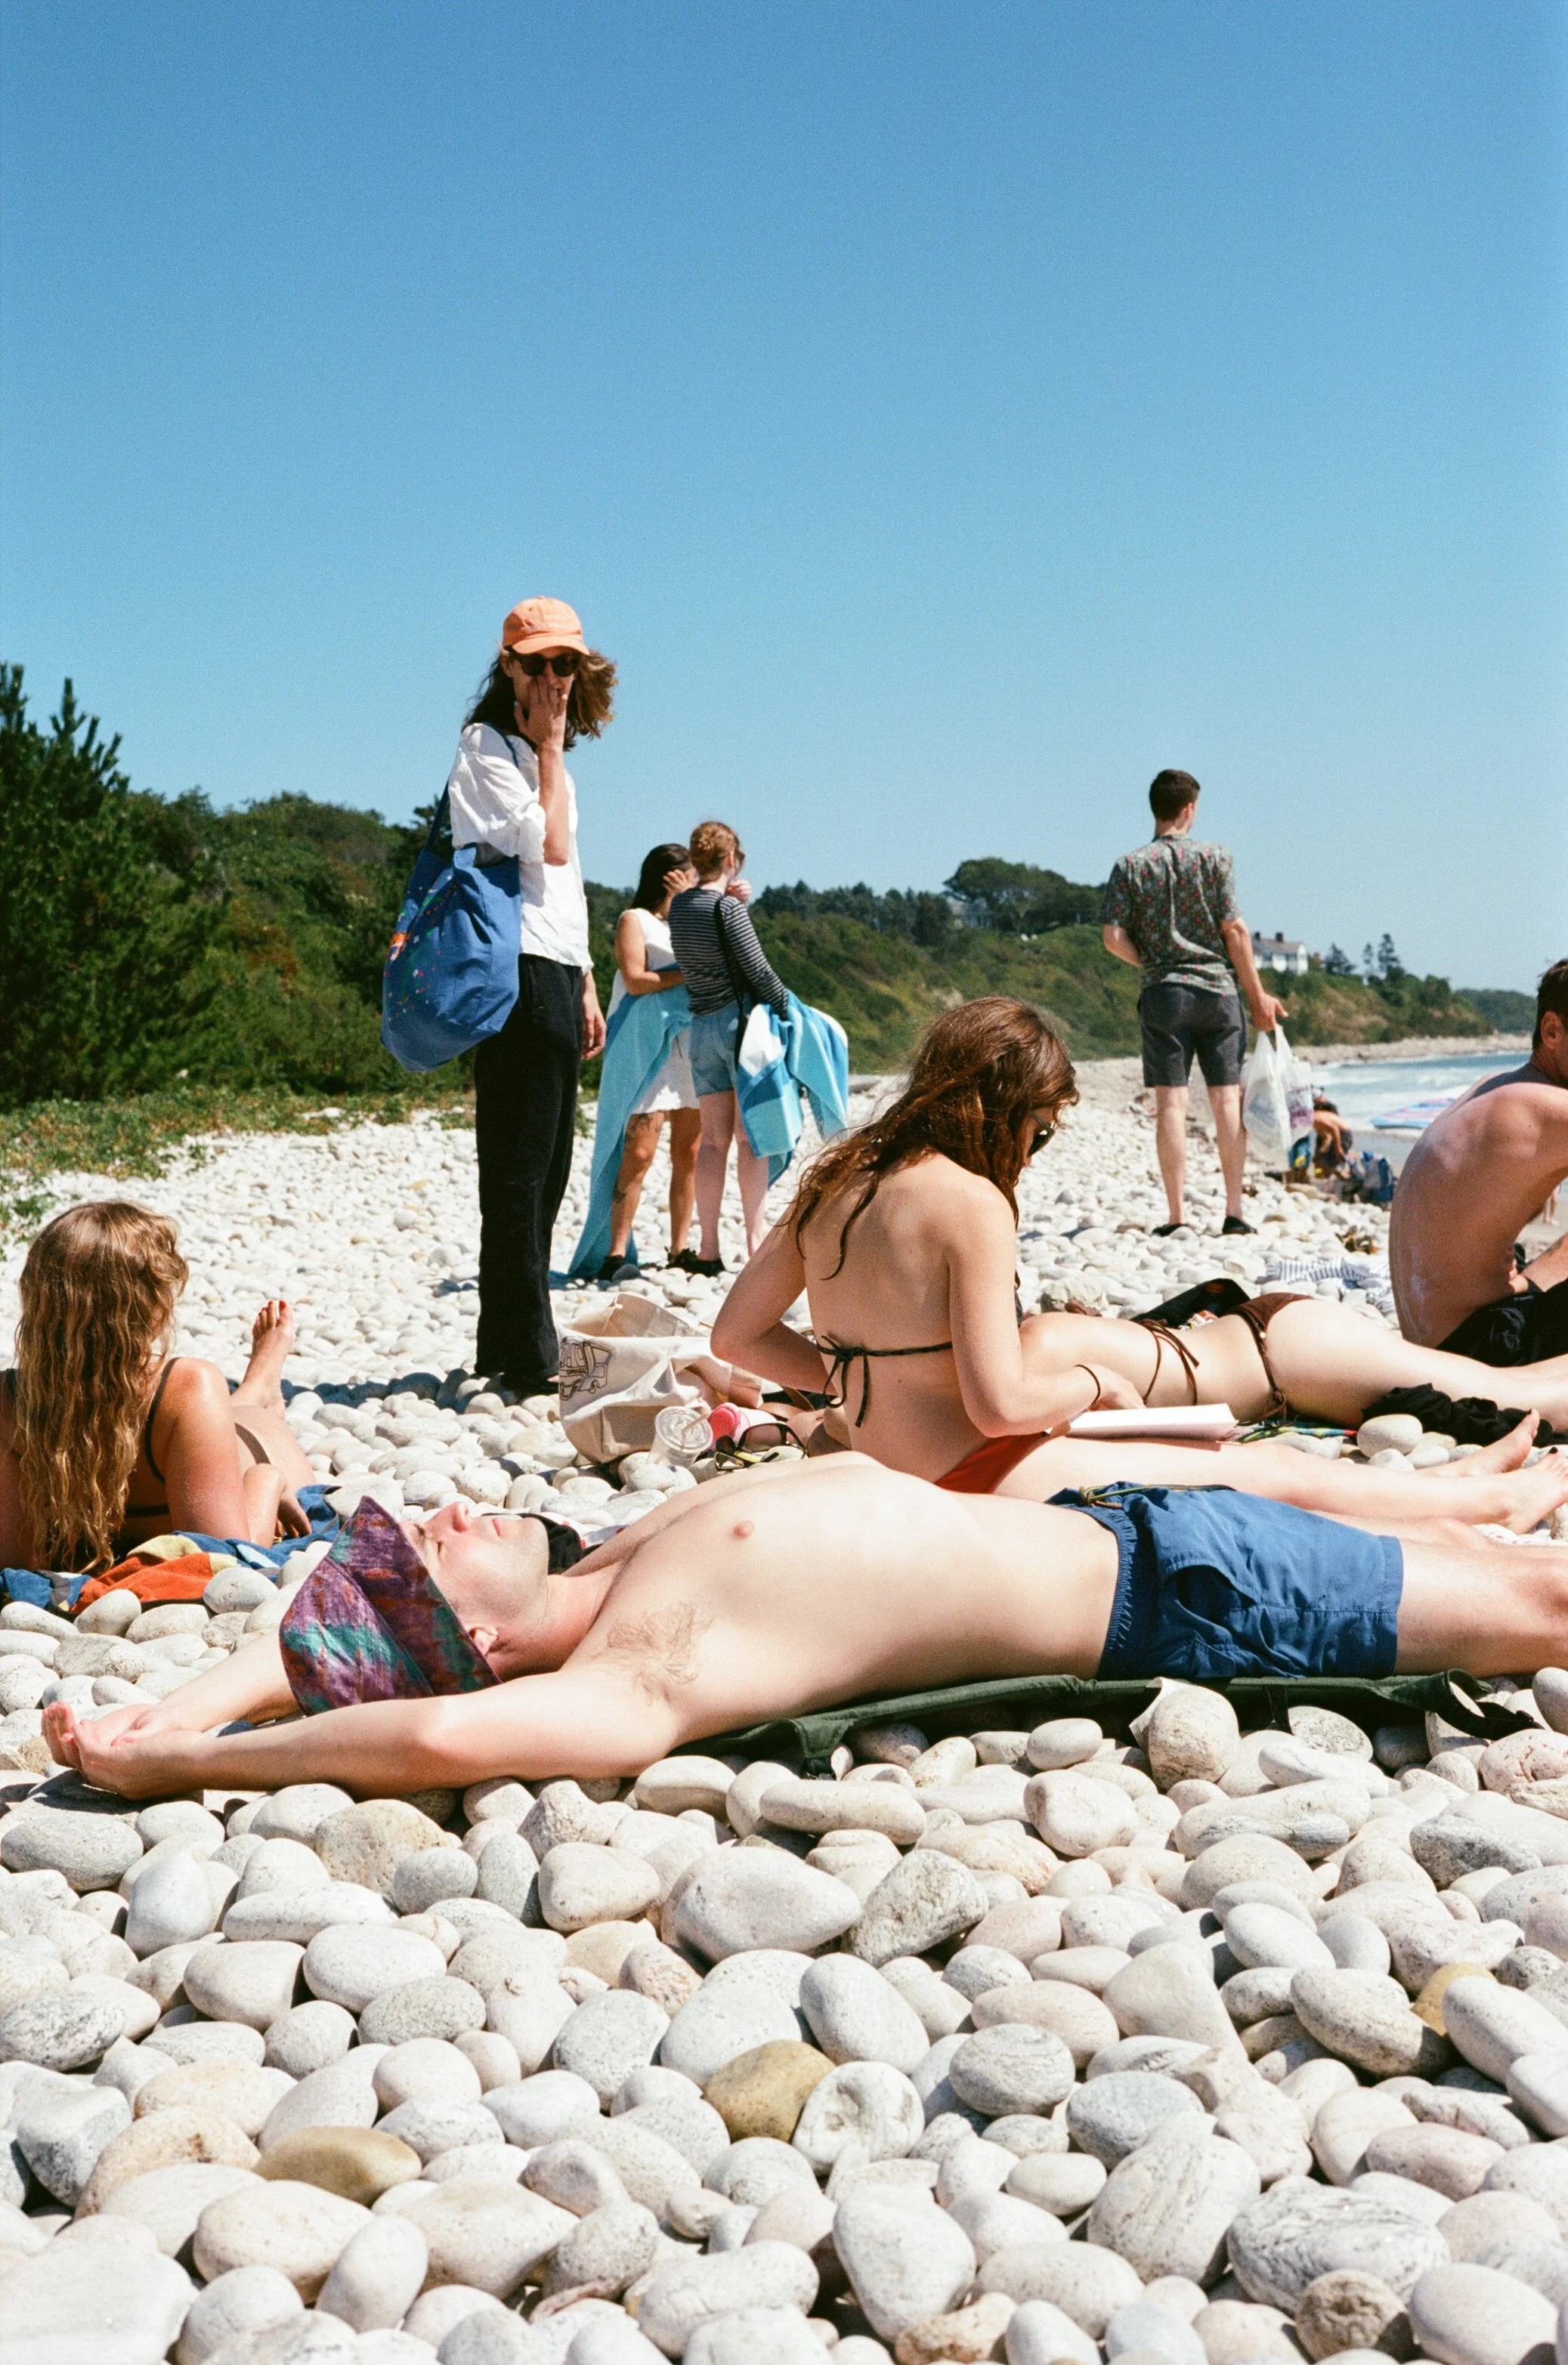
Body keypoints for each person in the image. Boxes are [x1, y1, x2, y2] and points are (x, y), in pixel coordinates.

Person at [45, 1457, 1568, 1801]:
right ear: (483, 1642)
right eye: (422, 1560)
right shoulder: (656, 1651)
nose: (437, 1514)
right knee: (1538, 1605)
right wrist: (183, 1769)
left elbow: (322, 1635)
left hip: (1132, 1515)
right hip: (1185, 1594)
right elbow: (431, 1723)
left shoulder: (611, 1555)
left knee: (1483, 1539)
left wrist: (178, 1696)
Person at [710, 997, 1568, 1489]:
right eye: (1037, 1132)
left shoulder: (836, 1187)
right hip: (1262, 1350)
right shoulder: (968, 1227)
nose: (1029, 1152)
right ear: (1001, 1110)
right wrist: (1095, 1383)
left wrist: (843, 1382)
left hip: (1280, 1352)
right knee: (1506, 1390)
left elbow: (734, 1337)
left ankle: (1488, 1493)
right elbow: (996, 1406)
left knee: (1514, 1396)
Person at [447, 598, 614, 1394]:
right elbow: (541, 844)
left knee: (546, 1166)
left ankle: (505, 1340)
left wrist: (584, 977)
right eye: (539, 662)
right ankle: (529, 1350)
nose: (553, 678)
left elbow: (565, 880)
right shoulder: (485, 747)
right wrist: (547, 745)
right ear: (508, 664)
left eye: (565, 664)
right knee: (515, 1167)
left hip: (552, 965)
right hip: (509, 967)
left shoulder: (549, 759)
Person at [0, 1202, 314, 1572]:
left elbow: (226, 1561)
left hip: (260, 1449)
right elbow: (227, 1560)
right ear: (156, 1308)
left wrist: (266, 1478)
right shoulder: (186, 1388)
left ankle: (261, 1383)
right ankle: (255, 1390)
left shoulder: (11, 1400)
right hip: (197, 1422)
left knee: (241, 1414)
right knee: (219, 1408)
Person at [1101, 769, 1287, 1235]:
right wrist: (1257, 995)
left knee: (1171, 1105)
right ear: (1189, 809)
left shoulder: (1131, 865)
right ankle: (1233, 1212)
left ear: (1155, 808)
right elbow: (1235, 931)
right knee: (1226, 1100)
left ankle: (1177, 1217)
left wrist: (1155, 963)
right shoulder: (1215, 857)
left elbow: (1112, 938)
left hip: (1165, 994)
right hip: (1218, 992)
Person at [1391, 960, 1568, 1359]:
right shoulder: (1547, 1107)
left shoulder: (1499, 1087)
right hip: (1478, 1349)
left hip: (1439, 1333)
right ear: (1552, 1030)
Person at [667, 821, 790, 1272]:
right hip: (740, 1030)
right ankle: (756, 1243)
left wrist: (733, 904)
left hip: (701, 1029)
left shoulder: (679, 908)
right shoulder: (729, 911)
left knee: (713, 1144)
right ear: (732, 860)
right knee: (749, 1140)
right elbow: (757, 971)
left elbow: (704, 940)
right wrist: (789, 1010)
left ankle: (708, 1247)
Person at [591, 842, 702, 1283]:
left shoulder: (690, 923)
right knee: (639, 1151)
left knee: (690, 1152)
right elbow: (636, 981)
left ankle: (680, 1248)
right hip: (648, 1046)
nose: (693, 881)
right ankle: (616, 1251)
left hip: (691, 1042)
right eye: (687, 874)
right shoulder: (633, 920)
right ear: (667, 876)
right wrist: (688, 973)